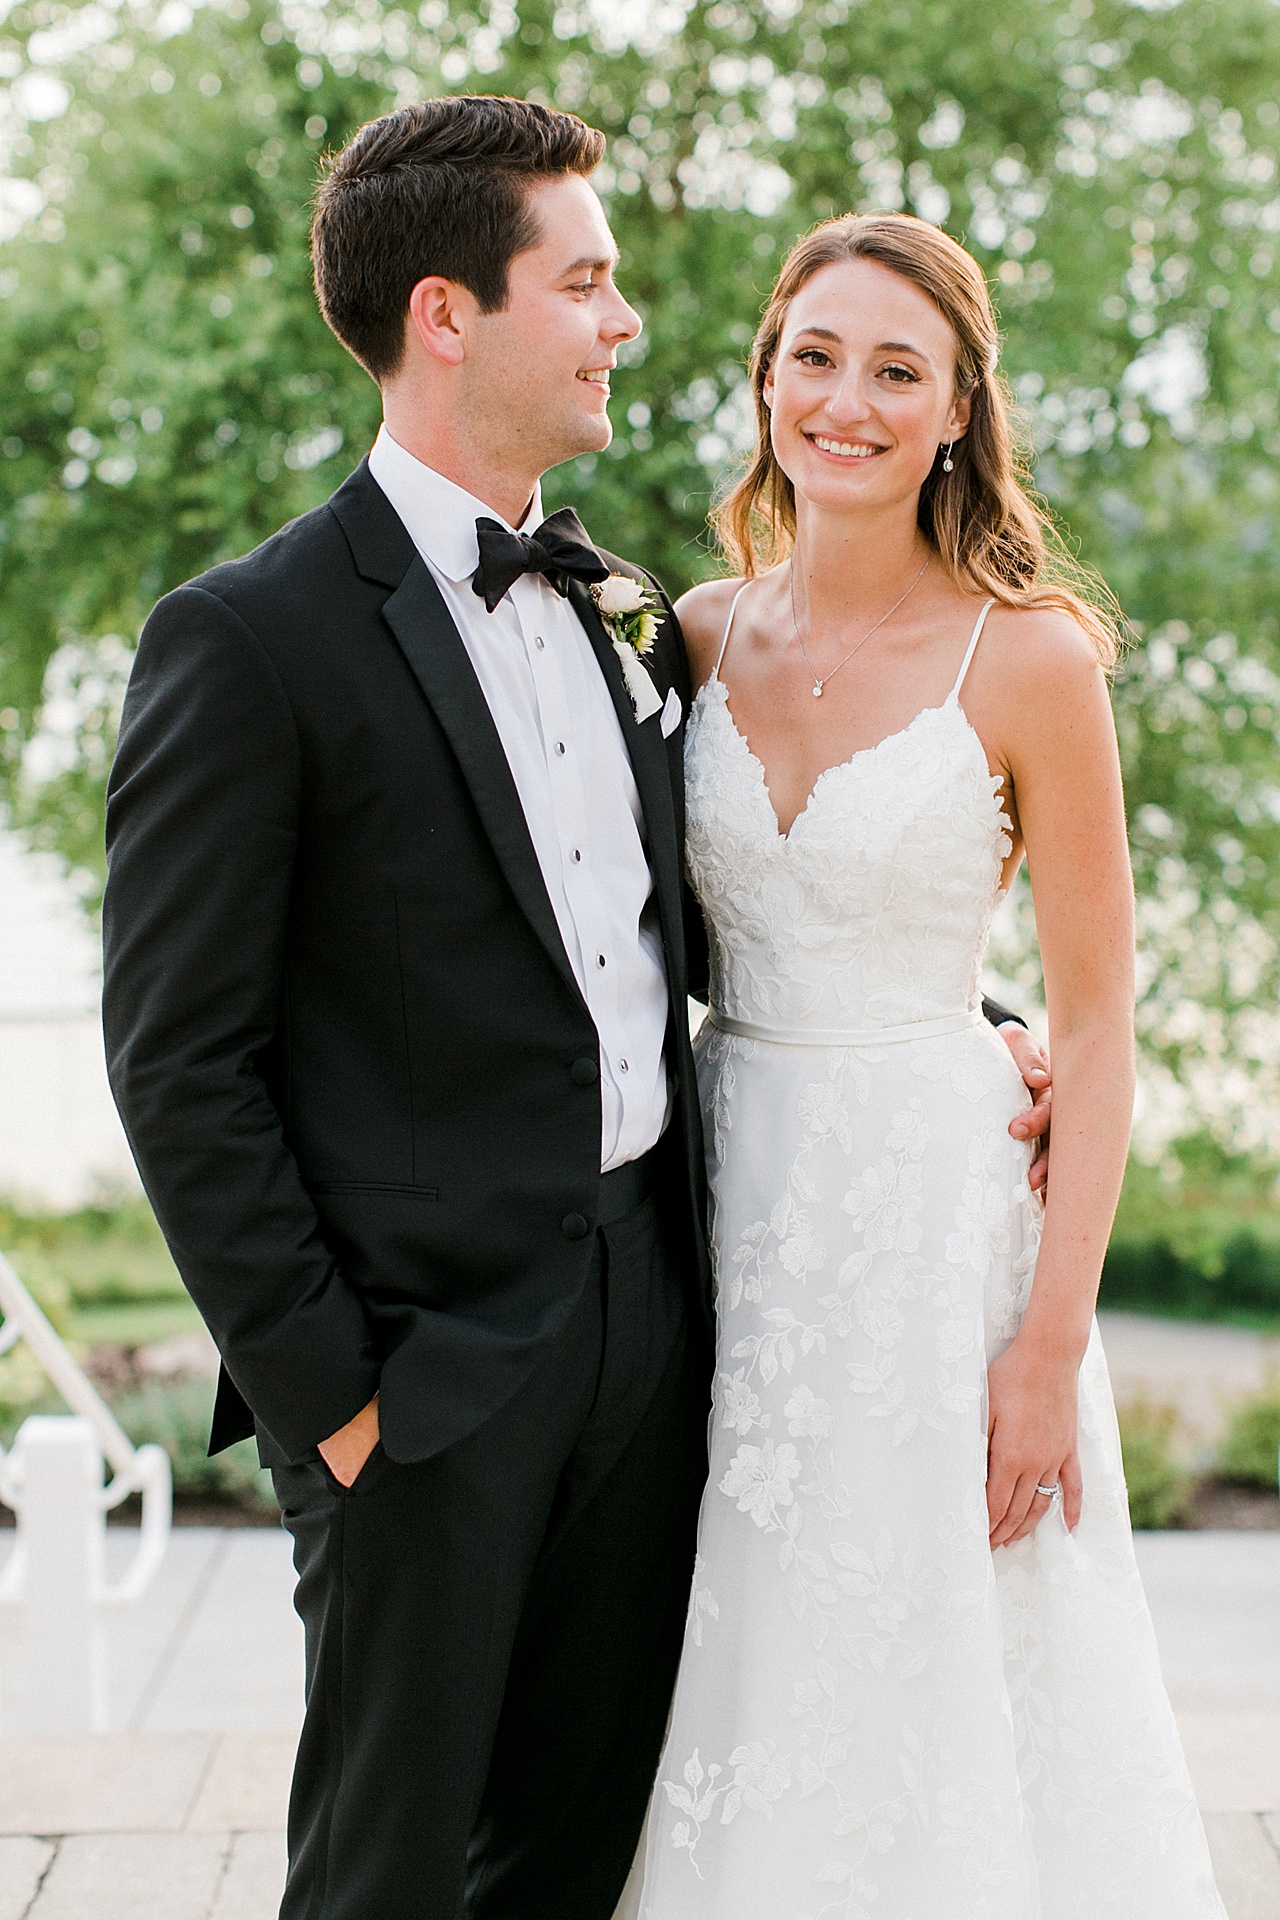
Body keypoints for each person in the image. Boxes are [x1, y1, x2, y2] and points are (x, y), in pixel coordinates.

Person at [101, 102, 1049, 1920]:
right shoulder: (248, 639)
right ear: (449, 314)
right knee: (385, 1874)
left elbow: (708, 918)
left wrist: (967, 1018)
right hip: (420, 1380)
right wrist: (335, 1406)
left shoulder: (622, 605)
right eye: (590, 281)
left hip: (659, 1327)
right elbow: (177, 1062)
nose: (626, 322)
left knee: (576, 1853)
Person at [627, 214, 1225, 1919]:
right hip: (725, 1202)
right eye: (815, 357)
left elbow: (1099, 1023)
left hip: (940, 1240)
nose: (851, 401)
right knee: (730, 1645)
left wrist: (1049, 1349)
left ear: (959, 409)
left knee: (943, 1664)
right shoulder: (695, 638)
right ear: (763, 383)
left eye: (900, 370)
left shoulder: (1030, 657)